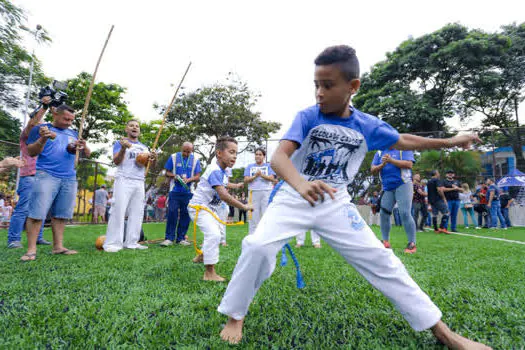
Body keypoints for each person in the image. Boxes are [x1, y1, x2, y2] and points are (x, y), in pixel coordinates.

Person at [217, 45, 489, 349]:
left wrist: (450, 140)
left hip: (336, 204)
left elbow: (405, 139)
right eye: (316, 85)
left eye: (328, 85)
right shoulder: (307, 117)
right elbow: (280, 157)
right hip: (292, 199)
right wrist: (302, 184)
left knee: (382, 259)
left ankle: (443, 332)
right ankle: (235, 315)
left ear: (352, 87)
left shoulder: (366, 125)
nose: (319, 92)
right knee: (256, 247)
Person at [22, 104, 91, 261]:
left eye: (71, 120)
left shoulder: (73, 133)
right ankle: (31, 250)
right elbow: (31, 152)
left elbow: (82, 154)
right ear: (55, 114)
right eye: (66, 119)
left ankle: (58, 247)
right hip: (46, 174)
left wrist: (81, 147)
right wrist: (43, 138)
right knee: (37, 213)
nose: (68, 122)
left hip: (69, 177)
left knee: (61, 214)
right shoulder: (41, 129)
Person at [188, 137, 250, 281]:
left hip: (209, 209)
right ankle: (209, 273)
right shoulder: (215, 170)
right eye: (231, 152)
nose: (234, 156)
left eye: (236, 153)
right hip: (199, 208)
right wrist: (243, 206)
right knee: (214, 235)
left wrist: (236, 185)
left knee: (215, 234)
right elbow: (223, 195)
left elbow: (225, 186)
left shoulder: (223, 171)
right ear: (219, 153)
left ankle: (202, 256)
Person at [7, 97, 52, 249]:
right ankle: (14, 239)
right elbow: (32, 123)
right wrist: (45, 107)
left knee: (41, 209)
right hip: (28, 176)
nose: (41, 125)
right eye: (39, 122)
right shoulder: (26, 134)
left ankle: (38, 237)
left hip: (43, 176)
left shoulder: (44, 138)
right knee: (23, 208)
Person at [103, 120, 154, 252]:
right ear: (126, 129)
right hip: (124, 179)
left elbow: (149, 165)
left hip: (139, 181)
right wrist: (124, 148)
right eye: (131, 125)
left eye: (137, 126)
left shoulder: (144, 147)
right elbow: (116, 161)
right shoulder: (120, 143)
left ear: (139, 131)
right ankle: (113, 244)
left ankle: (132, 242)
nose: (134, 128)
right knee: (118, 210)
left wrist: (154, 158)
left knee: (137, 212)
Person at [371, 148, 417, 253]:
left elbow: (409, 164)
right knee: (384, 213)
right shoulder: (379, 152)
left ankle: (412, 243)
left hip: (403, 184)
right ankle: (385, 241)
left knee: (404, 213)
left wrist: (391, 161)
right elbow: (373, 170)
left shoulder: (403, 149)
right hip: (387, 187)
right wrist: (382, 165)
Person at [160, 142, 202, 247]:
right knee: (172, 213)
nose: (186, 153)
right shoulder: (173, 157)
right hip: (174, 191)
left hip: (188, 192)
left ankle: (181, 238)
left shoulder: (196, 160)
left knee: (186, 215)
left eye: (188, 152)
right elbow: (167, 172)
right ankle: (169, 238)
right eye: (184, 151)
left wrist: (189, 179)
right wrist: (174, 176)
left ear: (192, 151)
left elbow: (197, 176)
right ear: (181, 148)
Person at [244, 148, 277, 234]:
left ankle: (266, 235)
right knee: (253, 215)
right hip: (253, 192)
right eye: (256, 154)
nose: (258, 156)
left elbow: (272, 178)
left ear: (264, 156)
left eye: (260, 154)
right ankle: (252, 236)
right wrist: (255, 176)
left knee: (266, 214)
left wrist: (261, 175)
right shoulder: (250, 166)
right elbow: (246, 180)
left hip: (266, 192)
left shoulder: (268, 166)